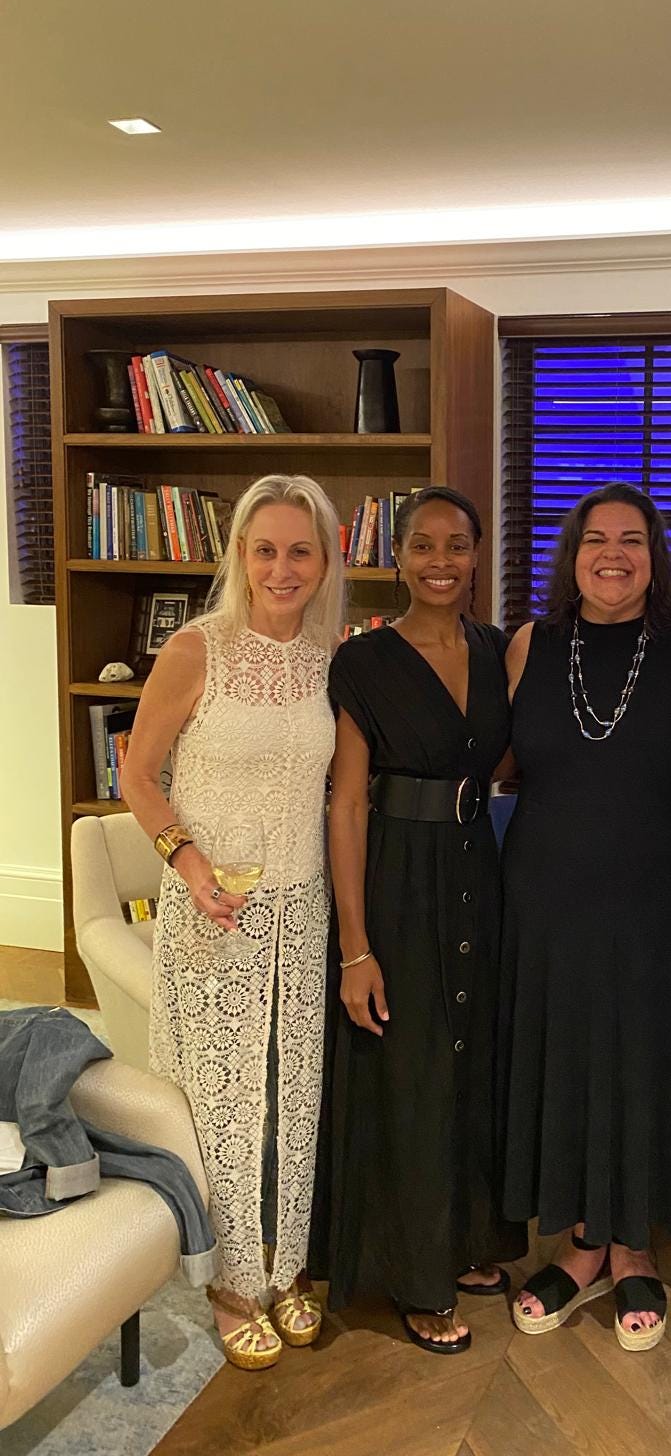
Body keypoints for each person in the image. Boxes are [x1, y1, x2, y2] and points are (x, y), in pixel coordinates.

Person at [500, 481, 671, 1352]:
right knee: (566, 1058)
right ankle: (578, 1242)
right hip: (548, 898)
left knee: (646, 1060)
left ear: (656, 553)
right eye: (596, 539)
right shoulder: (530, 643)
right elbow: (489, 757)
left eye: (632, 540)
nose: (613, 554)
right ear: (571, 553)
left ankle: (635, 1243)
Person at [122, 473, 344, 1370]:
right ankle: (225, 1278)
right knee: (220, 1102)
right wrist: (186, 859)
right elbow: (138, 774)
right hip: (214, 907)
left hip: (304, 905)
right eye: (265, 550)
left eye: (300, 550)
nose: (282, 569)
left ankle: (283, 1265)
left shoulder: (334, 654)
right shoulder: (196, 649)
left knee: (294, 1096)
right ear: (240, 558)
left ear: (327, 559)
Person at [321, 486, 526, 1354]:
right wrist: (356, 946)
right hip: (399, 871)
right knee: (409, 1067)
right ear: (395, 558)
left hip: (479, 859)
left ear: (479, 554)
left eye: (457, 545)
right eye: (422, 546)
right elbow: (346, 805)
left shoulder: (497, 649)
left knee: (472, 1057)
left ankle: (469, 1240)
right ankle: (412, 1277)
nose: (440, 561)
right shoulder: (364, 662)